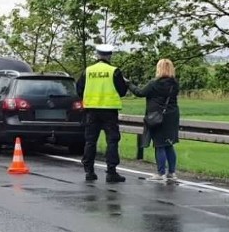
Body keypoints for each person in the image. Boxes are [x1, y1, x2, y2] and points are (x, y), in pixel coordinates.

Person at [76, 44, 130, 183]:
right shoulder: (114, 71)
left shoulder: (87, 71)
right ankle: (111, 172)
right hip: (109, 111)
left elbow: (79, 89)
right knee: (112, 140)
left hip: (91, 111)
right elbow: (122, 91)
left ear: (97, 55)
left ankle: (89, 171)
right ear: (109, 55)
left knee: (90, 141)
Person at [129, 59, 180, 182]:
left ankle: (160, 173)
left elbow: (140, 92)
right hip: (172, 116)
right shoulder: (175, 84)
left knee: (159, 145)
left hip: (157, 117)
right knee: (169, 144)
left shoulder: (154, 84)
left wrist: (129, 84)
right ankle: (172, 172)